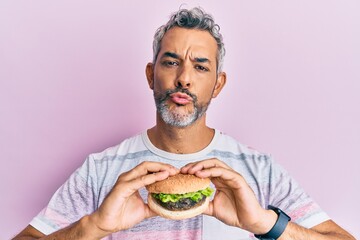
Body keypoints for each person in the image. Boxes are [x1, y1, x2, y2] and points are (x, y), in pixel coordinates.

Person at [13, 7, 355, 240]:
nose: (184, 79)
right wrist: (95, 225)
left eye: (201, 67)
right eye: (172, 62)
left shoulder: (258, 170)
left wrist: (266, 223)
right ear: (151, 75)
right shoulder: (101, 170)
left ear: (218, 85)